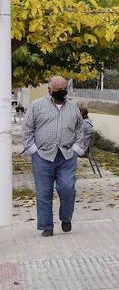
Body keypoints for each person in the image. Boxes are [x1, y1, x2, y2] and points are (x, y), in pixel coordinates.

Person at [21, 76, 90, 237]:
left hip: (66, 155)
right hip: (42, 156)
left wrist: (77, 148)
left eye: (64, 89)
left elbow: (80, 129)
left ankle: (66, 217)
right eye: (58, 90)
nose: (62, 92)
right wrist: (32, 149)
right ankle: (46, 226)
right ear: (49, 90)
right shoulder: (36, 106)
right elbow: (27, 129)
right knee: (43, 193)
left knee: (67, 188)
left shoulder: (73, 107)